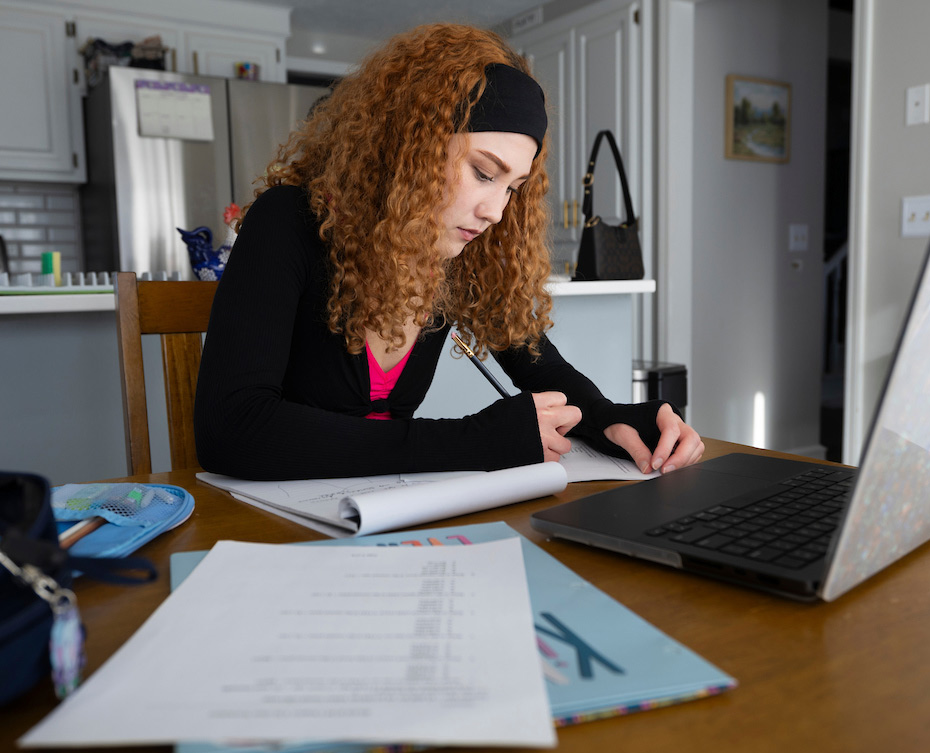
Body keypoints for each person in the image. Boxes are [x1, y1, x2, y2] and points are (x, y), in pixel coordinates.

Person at [194, 23, 703, 481]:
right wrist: (470, 442)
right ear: (411, 146)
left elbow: (539, 365)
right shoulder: (288, 220)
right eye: (483, 173)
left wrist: (612, 417)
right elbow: (232, 429)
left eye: (512, 187)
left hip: (390, 515)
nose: (496, 212)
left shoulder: (458, 258)